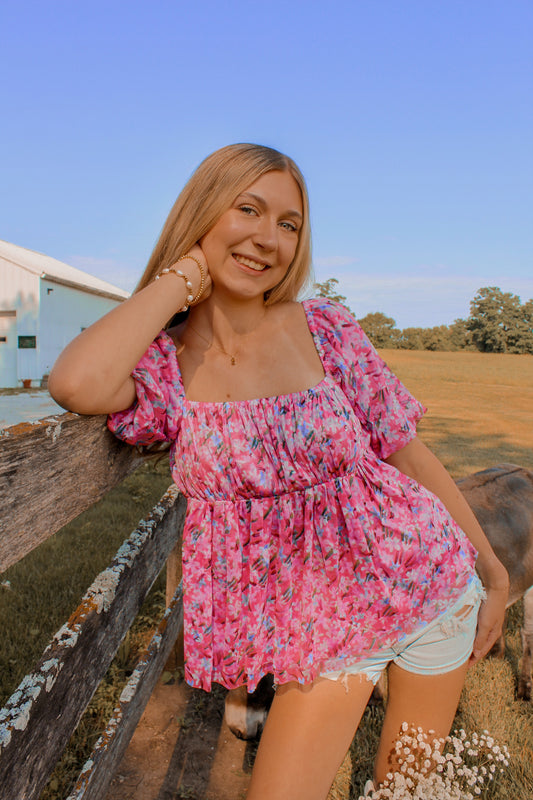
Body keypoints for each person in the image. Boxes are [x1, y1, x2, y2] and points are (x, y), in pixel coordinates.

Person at [48, 143, 509, 800]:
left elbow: (405, 451)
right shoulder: (166, 366)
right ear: (201, 214)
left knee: (405, 791)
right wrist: (183, 276)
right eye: (247, 210)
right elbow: (76, 381)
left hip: (433, 585)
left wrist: (489, 571)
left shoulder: (325, 327)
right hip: (323, 631)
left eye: (288, 224)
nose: (268, 239)